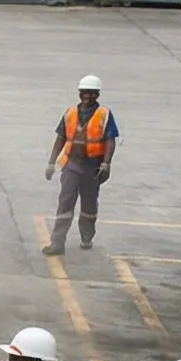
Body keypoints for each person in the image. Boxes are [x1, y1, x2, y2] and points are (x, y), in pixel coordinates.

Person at [45, 74, 120, 256]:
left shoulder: (104, 115)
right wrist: (51, 162)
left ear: (97, 94)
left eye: (92, 93)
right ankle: (57, 243)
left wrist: (106, 163)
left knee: (89, 206)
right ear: (80, 93)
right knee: (65, 203)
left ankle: (87, 236)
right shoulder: (70, 113)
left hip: (92, 168)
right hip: (71, 165)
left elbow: (110, 140)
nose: (88, 96)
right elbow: (61, 137)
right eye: (85, 92)